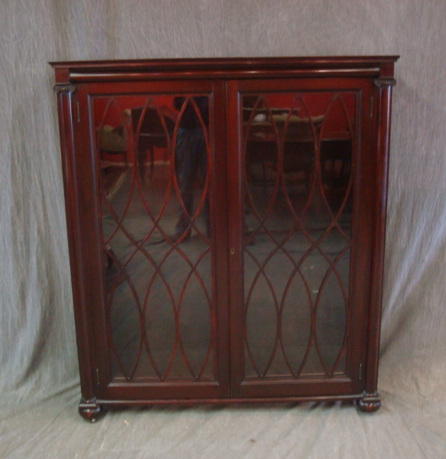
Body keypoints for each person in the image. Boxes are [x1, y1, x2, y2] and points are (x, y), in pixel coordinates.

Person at [172, 96, 210, 241]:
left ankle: (212, 229)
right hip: (188, 130)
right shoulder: (183, 80)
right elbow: (177, 102)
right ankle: (183, 229)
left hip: (206, 129)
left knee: (209, 184)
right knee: (186, 182)